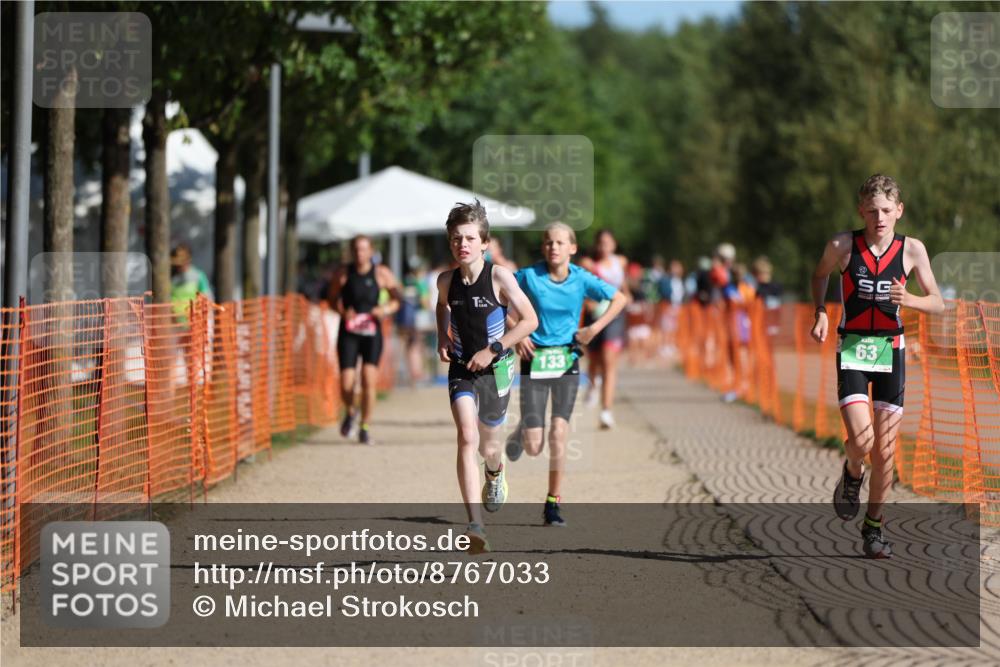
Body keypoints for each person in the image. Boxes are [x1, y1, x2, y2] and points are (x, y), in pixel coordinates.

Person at [810, 174, 944, 559]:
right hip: (852, 347)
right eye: (872, 211)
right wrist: (820, 311)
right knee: (863, 442)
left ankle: (873, 528)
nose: (879, 218)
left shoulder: (912, 249)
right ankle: (853, 470)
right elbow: (819, 275)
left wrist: (912, 300)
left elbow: (938, 301)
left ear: (899, 210)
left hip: (891, 349)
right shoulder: (842, 245)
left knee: (885, 450)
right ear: (861, 211)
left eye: (886, 210)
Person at [506, 223, 626, 526]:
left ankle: (552, 504)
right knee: (534, 447)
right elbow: (497, 298)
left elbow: (620, 299)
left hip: (567, 359)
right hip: (534, 359)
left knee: (559, 433)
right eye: (548, 243)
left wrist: (593, 329)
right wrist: (517, 332)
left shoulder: (581, 279)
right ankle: (524, 430)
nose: (553, 248)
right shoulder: (529, 276)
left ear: (572, 248)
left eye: (560, 243)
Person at [436, 200, 537, 554]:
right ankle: (475, 525)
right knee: (466, 436)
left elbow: (529, 321)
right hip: (461, 366)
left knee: (489, 445)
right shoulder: (445, 280)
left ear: (483, 242)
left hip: (496, 368)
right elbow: (441, 305)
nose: (461, 244)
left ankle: (494, 472)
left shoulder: (499, 276)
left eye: (468, 238)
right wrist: (440, 335)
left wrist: (494, 349)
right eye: (455, 239)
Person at [327, 235, 401, 445]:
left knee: (369, 380)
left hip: (371, 333)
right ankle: (351, 412)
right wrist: (342, 312)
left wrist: (383, 310)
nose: (360, 254)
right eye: (356, 250)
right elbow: (332, 300)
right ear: (352, 252)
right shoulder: (343, 273)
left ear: (371, 251)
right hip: (349, 332)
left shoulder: (381, 273)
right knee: (346, 383)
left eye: (364, 249)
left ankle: (365, 426)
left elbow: (398, 299)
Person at [580, 229, 631, 429]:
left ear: (614, 244)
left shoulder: (622, 262)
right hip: (595, 316)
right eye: (601, 243)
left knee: (610, 362)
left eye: (608, 242)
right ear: (596, 245)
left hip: (615, 315)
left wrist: (627, 293)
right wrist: (587, 302)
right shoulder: (589, 264)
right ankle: (593, 385)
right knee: (594, 360)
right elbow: (582, 285)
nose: (604, 246)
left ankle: (606, 411)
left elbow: (622, 282)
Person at [170, 243, 214, 321]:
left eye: (181, 262)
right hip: (174, 323)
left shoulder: (198, 276)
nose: (179, 266)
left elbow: (207, 297)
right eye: (176, 263)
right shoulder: (170, 278)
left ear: (188, 260)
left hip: (194, 324)